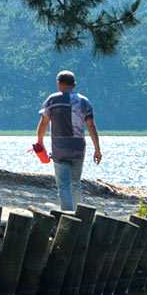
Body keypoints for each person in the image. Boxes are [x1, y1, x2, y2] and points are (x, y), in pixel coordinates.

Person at [35, 70, 102, 212]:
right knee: (75, 183)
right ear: (74, 84)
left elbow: (44, 123)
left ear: (59, 83)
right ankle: (78, 214)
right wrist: (97, 149)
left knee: (63, 185)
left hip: (60, 147)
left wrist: (40, 141)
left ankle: (67, 215)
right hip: (78, 148)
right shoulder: (84, 101)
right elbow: (91, 126)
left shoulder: (52, 100)